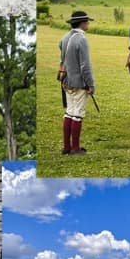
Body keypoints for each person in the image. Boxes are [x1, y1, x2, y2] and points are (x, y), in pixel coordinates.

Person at [59, 10, 94, 154]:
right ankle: (75, 148)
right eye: (87, 21)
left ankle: (67, 147)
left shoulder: (64, 37)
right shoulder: (81, 40)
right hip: (79, 82)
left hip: (66, 80)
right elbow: (85, 66)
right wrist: (90, 84)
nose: (88, 23)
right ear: (82, 23)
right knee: (77, 115)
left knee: (69, 113)